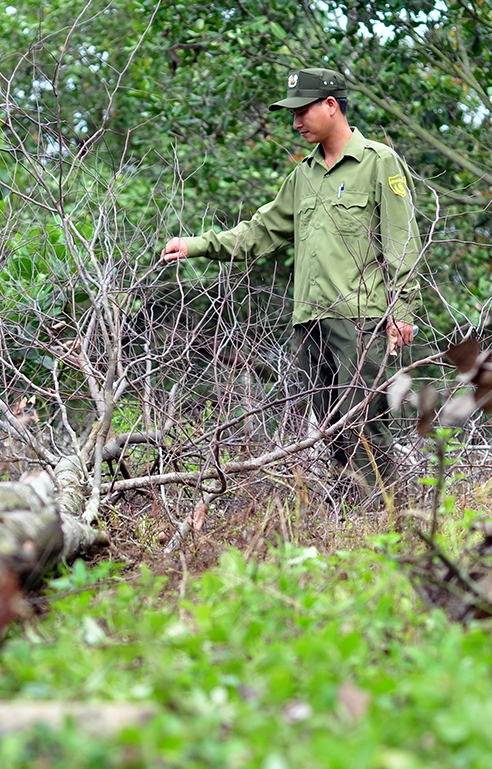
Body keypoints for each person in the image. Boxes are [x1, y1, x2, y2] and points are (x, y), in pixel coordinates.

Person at [161, 67, 423, 497]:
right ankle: (349, 523)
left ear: (331, 106)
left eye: (302, 112)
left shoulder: (379, 162)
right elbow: (259, 232)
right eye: (293, 114)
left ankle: (383, 524)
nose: (296, 123)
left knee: (366, 427)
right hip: (311, 320)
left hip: (361, 319)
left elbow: (402, 242)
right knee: (331, 431)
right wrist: (197, 245)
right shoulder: (303, 176)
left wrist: (402, 313)